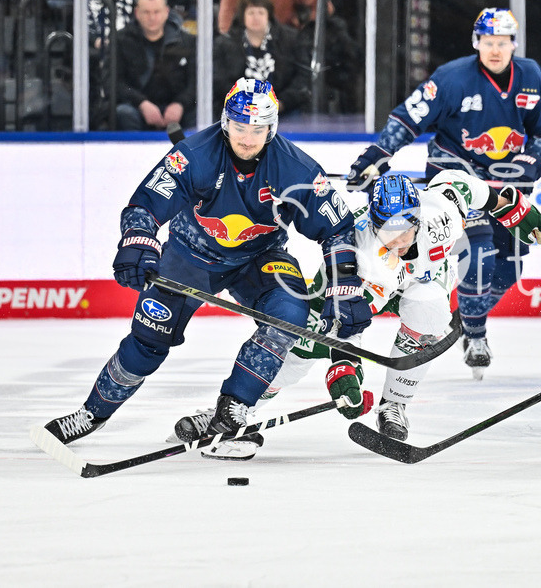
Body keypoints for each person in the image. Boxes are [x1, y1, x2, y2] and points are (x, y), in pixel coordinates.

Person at [42, 79, 373, 460]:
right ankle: (91, 413)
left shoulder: (295, 167)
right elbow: (144, 207)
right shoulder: (194, 155)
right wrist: (137, 240)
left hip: (258, 260)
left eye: (258, 130)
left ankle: (231, 408)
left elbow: (338, 229)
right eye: (239, 128)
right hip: (187, 259)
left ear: (272, 128)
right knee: (147, 344)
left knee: (289, 315)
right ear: (224, 122)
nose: (248, 139)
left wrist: (344, 282)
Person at [170, 171, 541, 450]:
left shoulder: (442, 213)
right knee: (302, 348)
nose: (398, 239)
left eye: (406, 229)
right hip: (354, 288)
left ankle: (394, 406)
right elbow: (348, 320)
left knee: (429, 313)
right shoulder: (363, 254)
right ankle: (237, 410)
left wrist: (514, 208)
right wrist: (345, 368)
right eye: (389, 231)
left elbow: (469, 186)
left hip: (425, 279)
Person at [346, 7, 541, 380]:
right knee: (477, 256)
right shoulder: (451, 79)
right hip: (456, 181)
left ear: (513, 44)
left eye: (503, 42)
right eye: (488, 42)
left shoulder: (532, 76)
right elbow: (407, 117)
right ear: (476, 42)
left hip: (503, 186)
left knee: (510, 267)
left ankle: (470, 311)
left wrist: (529, 163)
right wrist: (377, 155)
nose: (495, 50)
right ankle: (475, 334)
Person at [109, 0, 196, 131]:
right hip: (137, 107)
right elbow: (115, 82)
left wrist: (180, 104)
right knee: (124, 113)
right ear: (137, 13)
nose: (152, 18)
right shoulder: (121, 40)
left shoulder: (187, 42)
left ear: (166, 12)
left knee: (201, 116)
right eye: (146, 12)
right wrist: (142, 103)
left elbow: (196, 82)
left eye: (157, 12)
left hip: (178, 108)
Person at [212, 0, 311, 117]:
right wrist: (242, 103)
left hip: (284, 110)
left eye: (261, 12)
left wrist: (281, 103)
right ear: (243, 16)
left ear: (269, 15)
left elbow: (302, 76)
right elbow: (219, 80)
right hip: (238, 111)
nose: (256, 17)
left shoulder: (291, 39)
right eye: (251, 13)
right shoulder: (225, 43)